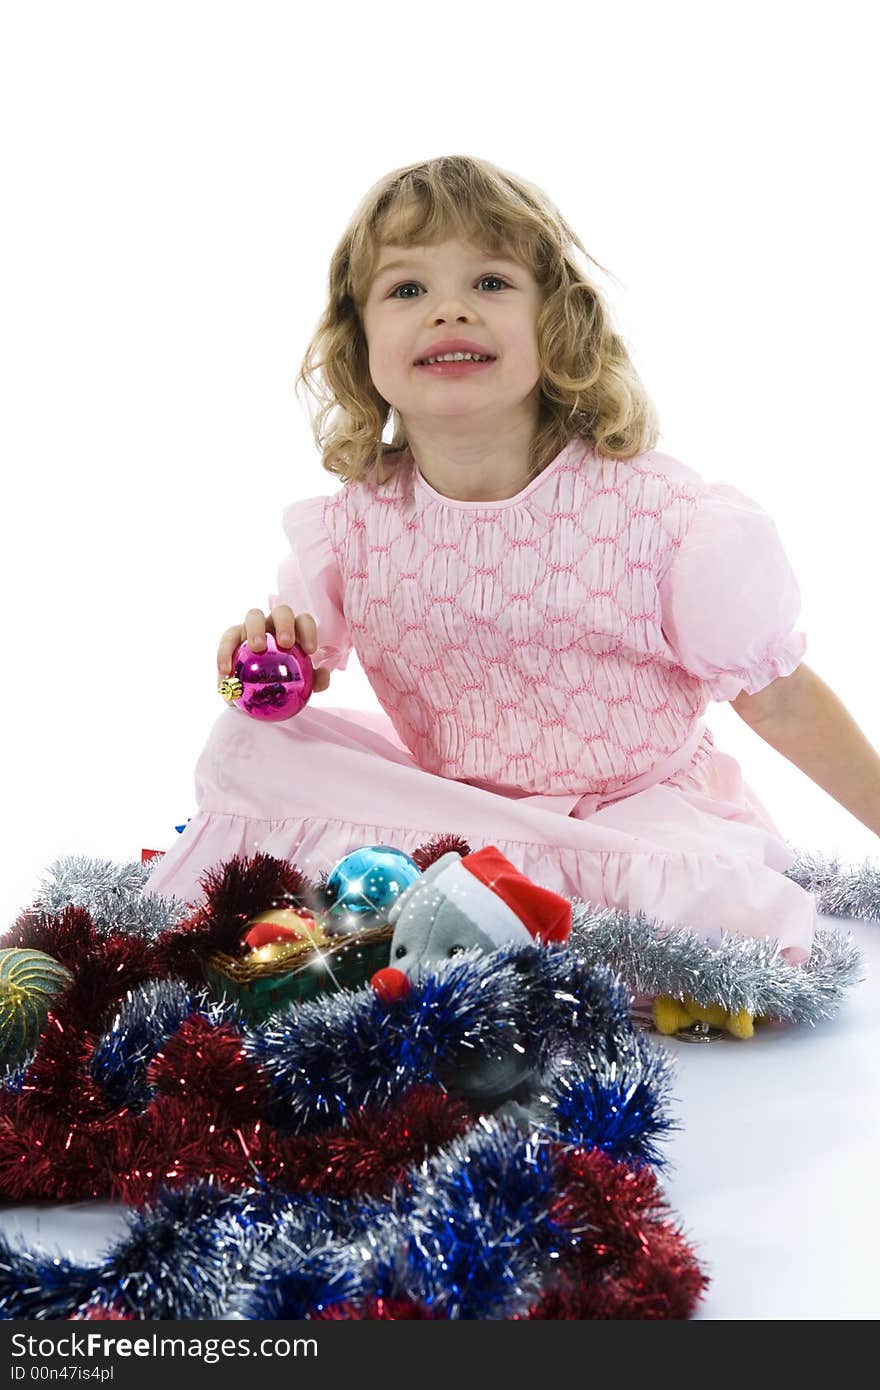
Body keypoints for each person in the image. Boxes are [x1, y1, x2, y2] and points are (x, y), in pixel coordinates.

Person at [140, 153, 816, 1000]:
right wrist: (264, 665)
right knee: (249, 746)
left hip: (632, 812)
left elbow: (778, 694)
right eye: (407, 290)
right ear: (362, 341)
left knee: (712, 905)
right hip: (453, 806)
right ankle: (468, 917)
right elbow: (287, 686)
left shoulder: (661, 518)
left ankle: (478, 927)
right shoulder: (352, 526)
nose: (450, 308)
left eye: (491, 282)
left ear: (556, 325)